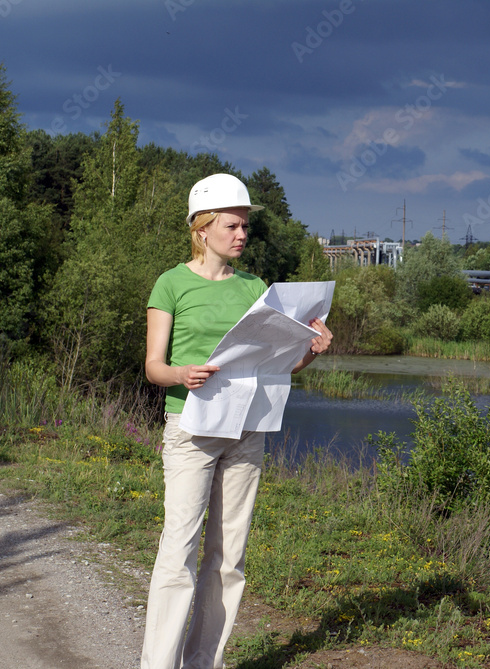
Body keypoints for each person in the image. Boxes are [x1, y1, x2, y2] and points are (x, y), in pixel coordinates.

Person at [140, 173, 332, 669]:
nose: (242, 233)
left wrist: (310, 351)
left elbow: (275, 366)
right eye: (232, 224)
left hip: (247, 429)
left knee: (228, 560)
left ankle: (205, 663)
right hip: (192, 428)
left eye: (245, 225)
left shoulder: (256, 288)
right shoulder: (171, 284)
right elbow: (153, 367)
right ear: (202, 228)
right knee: (178, 553)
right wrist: (182, 372)